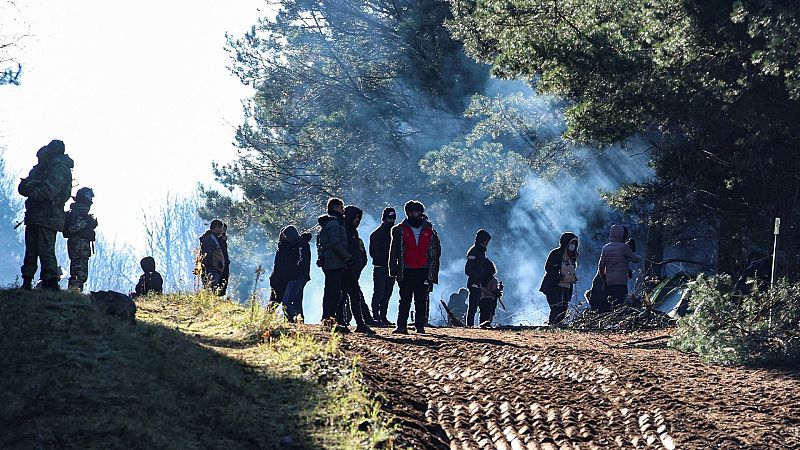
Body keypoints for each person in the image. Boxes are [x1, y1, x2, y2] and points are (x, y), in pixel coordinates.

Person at [17, 140, 74, 291]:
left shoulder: (59, 169)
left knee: (46, 250)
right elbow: (24, 186)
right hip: (35, 215)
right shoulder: (43, 168)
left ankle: (50, 282)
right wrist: (28, 187)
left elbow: (50, 192)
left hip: (49, 217)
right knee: (31, 251)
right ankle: (27, 281)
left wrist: (33, 191)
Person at [389, 200, 441, 334]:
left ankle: (420, 326)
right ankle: (401, 325)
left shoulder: (430, 231)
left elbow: (434, 253)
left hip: (423, 269)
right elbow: (394, 250)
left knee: (421, 299)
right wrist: (393, 268)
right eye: (415, 211)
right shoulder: (399, 230)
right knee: (405, 298)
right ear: (409, 213)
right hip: (406, 269)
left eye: (419, 211)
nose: (418, 214)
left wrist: (432, 274)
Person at [317, 198, 352, 332]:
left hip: (331, 263)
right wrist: (347, 256)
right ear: (336, 208)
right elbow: (335, 243)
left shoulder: (328, 224)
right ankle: (330, 321)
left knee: (331, 291)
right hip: (334, 263)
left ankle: (328, 320)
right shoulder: (334, 224)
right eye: (341, 207)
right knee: (334, 293)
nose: (343, 210)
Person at [339, 205, 375, 334]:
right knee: (344, 298)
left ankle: (359, 323)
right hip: (345, 270)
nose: (357, 220)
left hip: (352, 271)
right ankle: (342, 322)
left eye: (359, 218)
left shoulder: (353, 231)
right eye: (355, 217)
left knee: (354, 298)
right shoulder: (344, 231)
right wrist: (349, 262)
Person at [269, 225, 312, 322]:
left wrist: (293, 271)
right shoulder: (286, 246)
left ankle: (292, 320)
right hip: (290, 277)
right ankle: (297, 321)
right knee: (296, 302)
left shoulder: (300, 244)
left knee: (286, 302)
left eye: (284, 234)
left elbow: (302, 261)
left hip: (297, 277)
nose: (282, 236)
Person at [539, 232, 579, 325]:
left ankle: (558, 326)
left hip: (566, 286)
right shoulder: (556, 253)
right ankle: (553, 326)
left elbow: (570, 270)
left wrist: (573, 277)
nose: (573, 246)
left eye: (574, 244)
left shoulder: (573, 256)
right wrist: (558, 274)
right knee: (556, 308)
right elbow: (548, 267)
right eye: (571, 243)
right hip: (554, 286)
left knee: (563, 309)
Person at [598, 224, 642, 308]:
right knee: (621, 300)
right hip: (621, 280)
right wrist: (640, 258)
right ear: (621, 234)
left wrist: (604, 277)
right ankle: (620, 314)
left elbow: (601, 265)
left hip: (609, 280)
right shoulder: (624, 247)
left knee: (612, 300)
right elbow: (634, 259)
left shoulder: (605, 248)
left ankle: (613, 313)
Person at [63, 187, 98, 292]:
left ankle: (74, 295)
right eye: (89, 198)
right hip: (78, 247)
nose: (91, 201)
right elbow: (71, 229)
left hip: (81, 249)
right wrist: (86, 222)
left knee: (80, 275)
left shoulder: (81, 213)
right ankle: (72, 295)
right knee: (79, 275)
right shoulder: (76, 213)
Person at [369, 207, 396, 327]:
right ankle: (376, 316)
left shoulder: (395, 233)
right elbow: (373, 253)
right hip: (380, 267)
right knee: (379, 293)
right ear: (384, 219)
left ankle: (383, 317)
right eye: (389, 218)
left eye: (393, 218)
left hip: (391, 268)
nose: (391, 221)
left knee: (387, 293)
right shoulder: (376, 234)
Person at [465, 229, 492, 326]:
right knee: (472, 306)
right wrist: (476, 280)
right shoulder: (475, 251)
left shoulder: (480, 252)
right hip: (474, 283)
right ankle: (469, 325)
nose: (487, 243)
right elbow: (468, 269)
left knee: (476, 306)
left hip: (479, 283)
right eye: (486, 241)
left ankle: (472, 324)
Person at [198, 219, 226, 292]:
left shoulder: (213, 238)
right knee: (211, 290)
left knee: (212, 290)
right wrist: (215, 265)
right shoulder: (210, 239)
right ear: (217, 227)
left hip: (214, 269)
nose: (222, 231)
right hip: (212, 269)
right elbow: (207, 254)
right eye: (221, 228)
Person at [479, 260, 503, 328]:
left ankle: (481, 326)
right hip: (491, 299)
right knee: (490, 313)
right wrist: (500, 289)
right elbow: (494, 291)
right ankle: (487, 326)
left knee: (482, 314)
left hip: (481, 299)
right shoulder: (493, 280)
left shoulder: (480, 279)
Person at [219, 222, 231, 296]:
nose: (223, 231)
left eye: (225, 230)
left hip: (225, 264)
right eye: (222, 229)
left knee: (224, 281)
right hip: (219, 264)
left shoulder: (223, 239)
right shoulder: (216, 240)